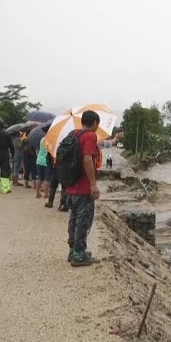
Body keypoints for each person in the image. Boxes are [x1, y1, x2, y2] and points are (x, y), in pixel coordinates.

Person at [66, 110, 102, 266]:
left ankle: (73, 249)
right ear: (94, 122)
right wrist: (93, 183)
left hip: (71, 185)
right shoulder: (90, 136)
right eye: (97, 124)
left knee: (74, 219)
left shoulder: (73, 134)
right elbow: (87, 159)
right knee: (83, 221)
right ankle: (79, 255)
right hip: (83, 187)